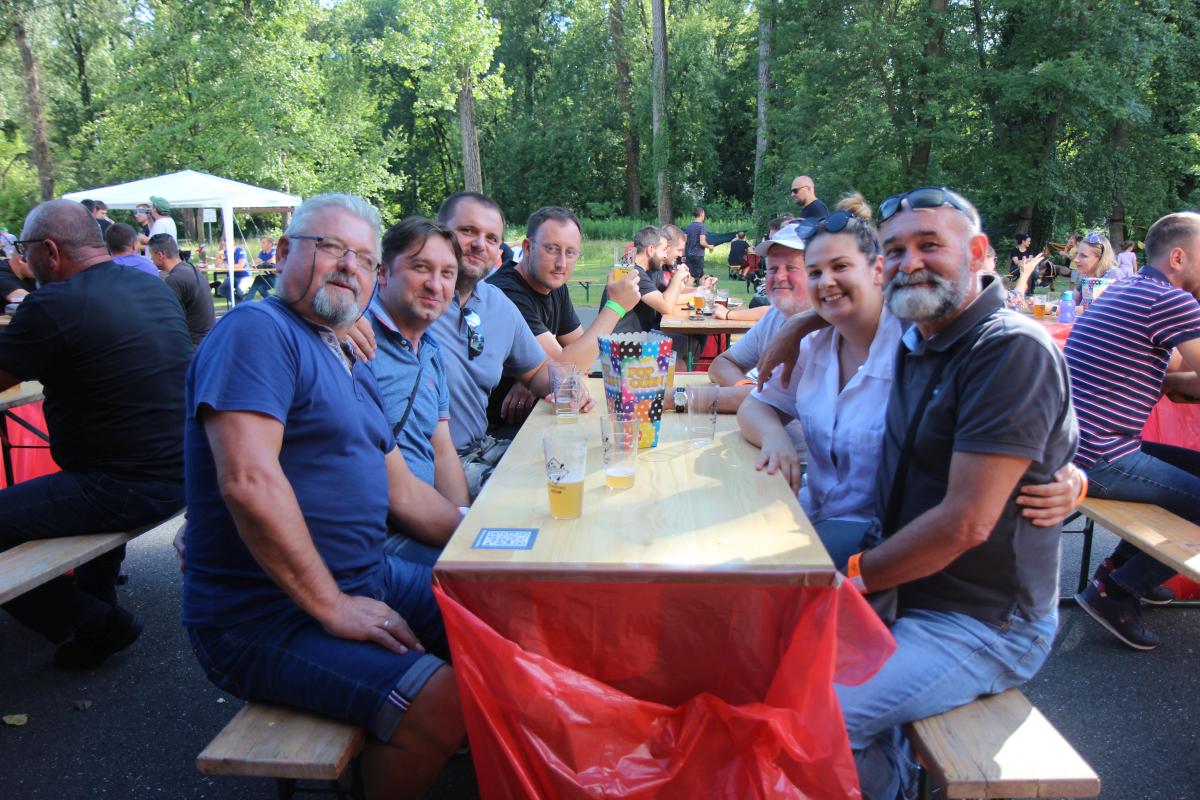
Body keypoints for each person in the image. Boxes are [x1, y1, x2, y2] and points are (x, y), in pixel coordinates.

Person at [755, 186, 1079, 798]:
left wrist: (854, 579)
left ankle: (892, 781)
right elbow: (851, 307)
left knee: (814, 713)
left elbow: (966, 523)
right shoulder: (920, 338)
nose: (911, 262)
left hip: (981, 620)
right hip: (904, 583)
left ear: (977, 252)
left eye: (931, 245)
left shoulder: (1008, 348)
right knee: (755, 632)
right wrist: (799, 324)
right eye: (898, 250)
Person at [182, 194, 465, 800]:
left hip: (369, 575)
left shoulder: (348, 352)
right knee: (438, 703)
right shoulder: (256, 332)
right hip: (262, 614)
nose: (348, 266)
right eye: (331, 248)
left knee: (490, 615)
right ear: (283, 252)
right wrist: (332, 604)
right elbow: (248, 482)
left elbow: (403, 491)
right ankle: (419, 738)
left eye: (363, 257)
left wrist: (486, 539)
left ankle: (435, 743)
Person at [0, 199, 191, 669]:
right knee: (100, 463)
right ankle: (96, 594)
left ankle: (91, 621)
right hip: (185, 470)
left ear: (49, 250)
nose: (22, 259)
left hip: (125, 485)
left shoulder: (52, 305)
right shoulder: (151, 286)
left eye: (24, 249)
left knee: (92, 477)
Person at [1067, 211, 1200, 651]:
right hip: (1099, 456)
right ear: (1178, 257)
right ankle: (1116, 592)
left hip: (1077, 446)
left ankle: (1119, 572)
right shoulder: (1172, 300)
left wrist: (1179, 385)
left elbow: (1173, 383)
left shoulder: (1130, 289)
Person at [429, 192, 552, 498]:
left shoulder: (497, 303)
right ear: (439, 232)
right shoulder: (410, 297)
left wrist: (571, 387)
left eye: (491, 238)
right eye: (467, 230)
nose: (479, 244)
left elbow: (538, 370)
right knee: (536, 493)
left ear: (499, 249)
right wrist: (350, 322)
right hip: (433, 466)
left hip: (483, 447)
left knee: (572, 463)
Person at [366, 216, 471, 564]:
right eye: (421, 267)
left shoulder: (431, 351)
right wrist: (472, 538)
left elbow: (442, 451)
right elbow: (398, 496)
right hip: (379, 536)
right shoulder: (356, 340)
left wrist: (463, 514)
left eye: (447, 273)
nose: (435, 285)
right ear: (383, 272)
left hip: (426, 517)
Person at [489, 206, 639, 372]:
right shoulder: (505, 293)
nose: (561, 263)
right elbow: (562, 370)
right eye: (551, 249)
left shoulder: (554, 286)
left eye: (570, 252)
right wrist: (616, 307)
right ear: (527, 248)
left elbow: (583, 357)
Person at [600, 225, 694, 335]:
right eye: (664, 250)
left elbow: (666, 296)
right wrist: (678, 278)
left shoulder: (637, 265)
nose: (665, 255)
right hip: (621, 341)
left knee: (689, 336)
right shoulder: (631, 272)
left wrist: (676, 280)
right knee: (688, 337)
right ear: (650, 250)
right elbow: (666, 306)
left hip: (635, 336)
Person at [149, 233, 215, 345]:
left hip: (193, 345)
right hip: (208, 341)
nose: (151, 259)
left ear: (160, 255)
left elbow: (162, 319)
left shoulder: (174, 280)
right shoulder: (192, 269)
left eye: (151, 255)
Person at [1071, 231, 1114, 300]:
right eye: (1077, 254)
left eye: (1083, 255)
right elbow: (1072, 298)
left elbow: (1092, 306)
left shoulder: (1111, 276)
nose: (1075, 259)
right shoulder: (1089, 277)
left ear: (1101, 258)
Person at [683, 207, 715, 281]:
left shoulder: (689, 226)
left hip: (689, 255)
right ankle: (697, 288)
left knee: (690, 276)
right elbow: (702, 242)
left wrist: (683, 254)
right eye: (704, 213)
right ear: (701, 214)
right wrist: (709, 246)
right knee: (697, 278)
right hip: (698, 255)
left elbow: (685, 241)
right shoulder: (702, 226)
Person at [244, 235, 278, 301]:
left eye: (263, 243)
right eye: (261, 242)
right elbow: (254, 262)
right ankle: (272, 302)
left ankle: (246, 301)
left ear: (270, 244)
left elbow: (273, 260)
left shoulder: (274, 251)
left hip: (281, 280)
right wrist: (261, 263)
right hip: (272, 277)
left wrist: (262, 263)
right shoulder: (263, 253)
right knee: (260, 287)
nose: (261, 244)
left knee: (258, 279)